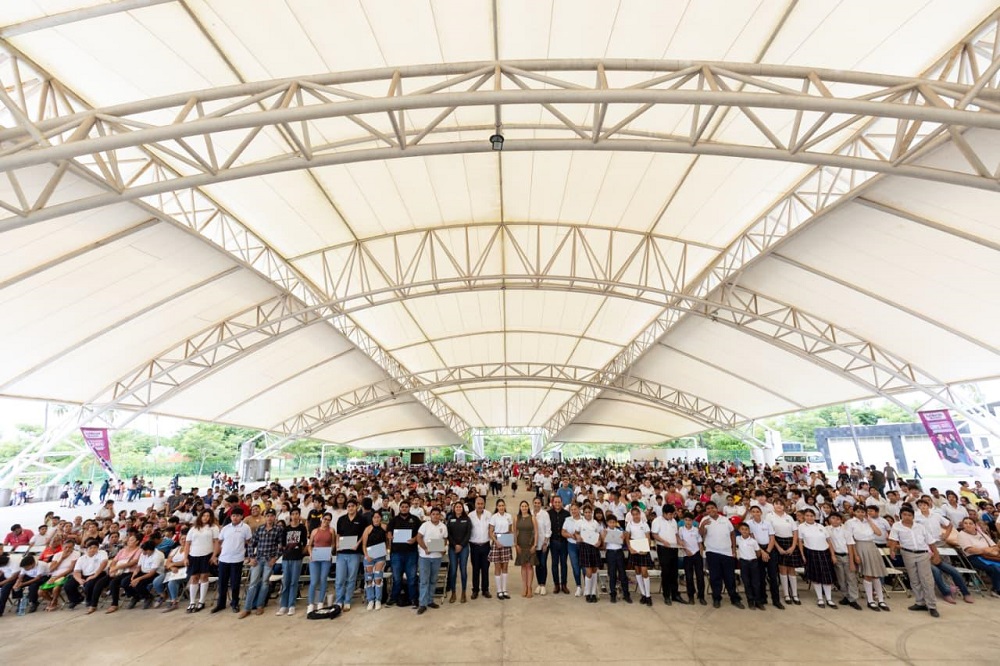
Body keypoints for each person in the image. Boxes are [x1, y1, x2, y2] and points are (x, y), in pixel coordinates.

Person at [888, 505, 940, 618]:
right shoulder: (897, 526)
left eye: (909, 515)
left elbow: (930, 541)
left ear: (913, 516)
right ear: (901, 515)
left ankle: (931, 605)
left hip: (922, 553)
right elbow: (893, 539)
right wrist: (892, 550)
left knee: (926, 579)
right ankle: (920, 602)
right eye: (904, 515)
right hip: (907, 553)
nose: (907, 517)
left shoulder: (920, 527)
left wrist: (936, 554)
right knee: (914, 579)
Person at [700, 502, 743, 609]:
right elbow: (700, 534)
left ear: (716, 508)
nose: (711, 510)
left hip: (727, 553)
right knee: (715, 577)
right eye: (708, 508)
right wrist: (702, 525)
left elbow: (732, 533)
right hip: (712, 552)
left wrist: (733, 548)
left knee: (729, 577)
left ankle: (734, 598)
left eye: (712, 508)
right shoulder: (705, 520)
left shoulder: (725, 519)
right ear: (706, 510)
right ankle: (716, 598)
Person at [846, 503, 889, 611]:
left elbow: (879, 533)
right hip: (860, 546)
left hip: (871, 546)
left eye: (862, 511)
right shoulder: (850, 523)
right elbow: (850, 540)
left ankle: (881, 600)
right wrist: (855, 554)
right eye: (858, 511)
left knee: (876, 575)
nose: (860, 513)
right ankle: (870, 600)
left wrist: (869, 520)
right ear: (854, 512)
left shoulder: (868, 522)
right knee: (868, 574)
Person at [241, 510, 283, 618]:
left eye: (272, 516)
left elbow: (281, 545)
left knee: (265, 583)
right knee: (253, 583)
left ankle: (260, 605)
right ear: (265, 517)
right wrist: (251, 557)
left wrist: (275, 558)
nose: (269, 518)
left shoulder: (278, 529)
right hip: (258, 559)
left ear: (274, 517)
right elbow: (251, 544)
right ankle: (247, 608)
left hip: (269, 560)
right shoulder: (260, 529)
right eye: (267, 516)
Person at [213, 506, 251, 613]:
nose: (235, 518)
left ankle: (235, 603)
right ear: (230, 517)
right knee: (222, 583)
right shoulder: (225, 528)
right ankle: (221, 604)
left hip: (237, 559)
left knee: (235, 583)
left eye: (238, 516)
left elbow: (249, 543)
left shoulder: (246, 528)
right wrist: (215, 555)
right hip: (224, 559)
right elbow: (219, 543)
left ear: (241, 517)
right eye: (233, 516)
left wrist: (249, 555)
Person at [798, 508, 837, 608]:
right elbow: (800, 542)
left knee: (827, 577)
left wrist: (832, 555)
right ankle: (820, 598)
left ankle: (829, 599)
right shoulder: (801, 527)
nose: (809, 517)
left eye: (811, 516)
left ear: (814, 517)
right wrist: (802, 555)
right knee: (816, 577)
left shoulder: (821, 526)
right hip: (811, 552)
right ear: (804, 516)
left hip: (824, 552)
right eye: (807, 515)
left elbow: (829, 541)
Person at [183, 509, 219, 614]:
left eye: (208, 516)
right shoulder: (193, 528)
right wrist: (185, 557)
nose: (206, 518)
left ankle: (202, 601)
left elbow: (216, 542)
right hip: (193, 555)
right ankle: (192, 601)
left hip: (206, 555)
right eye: (204, 515)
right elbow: (187, 544)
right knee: (194, 578)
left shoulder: (213, 528)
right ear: (200, 517)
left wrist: (214, 555)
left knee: (204, 577)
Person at [387, 499, 422, 606]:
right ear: (400, 508)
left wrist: (415, 539)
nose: (404, 508)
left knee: (411, 578)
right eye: (402, 507)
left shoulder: (415, 519)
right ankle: (393, 597)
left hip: (411, 553)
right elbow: (388, 532)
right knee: (397, 578)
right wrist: (389, 535)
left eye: (406, 507)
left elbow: (420, 533)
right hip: (396, 553)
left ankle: (413, 599)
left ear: (409, 508)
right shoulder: (393, 520)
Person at [767, 499, 801, 605]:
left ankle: (794, 594)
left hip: (790, 543)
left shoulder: (789, 517)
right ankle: (786, 594)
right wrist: (778, 548)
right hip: (777, 542)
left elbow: (795, 532)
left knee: (792, 570)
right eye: (777, 504)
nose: (779, 506)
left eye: (781, 504)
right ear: (773, 505)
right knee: (782, 569)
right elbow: (770, 534)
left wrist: (793, 546)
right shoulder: (769, 516)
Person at [955, 516, 1000, 597]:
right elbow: (970, 550)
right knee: (995, 568)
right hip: (974, 557)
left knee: (996, 567)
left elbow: (995, 546)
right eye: (965, 523)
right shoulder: (962, 535)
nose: (968, 525)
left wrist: (986, 550)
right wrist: (986, 550)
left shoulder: (981, 534)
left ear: (975, 525)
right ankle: (996, 590)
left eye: (970, 523)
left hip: (988, 556)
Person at [415, 506, 448, 615]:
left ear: (440, 516)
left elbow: (444, 539)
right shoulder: (425, 525)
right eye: (433, 514)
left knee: (433, 579)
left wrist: (443, 548)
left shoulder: (443, 526)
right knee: (424, 580)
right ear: (430, 515)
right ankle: (422, 603)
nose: (435, 516)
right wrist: (425, 548)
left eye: (437, 514)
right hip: (425, 556)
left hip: (437, 557)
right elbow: (419, 537)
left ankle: (430, 600)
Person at [277, 507, 308, 616]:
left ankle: (291, 605)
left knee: (294, 582)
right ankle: (283, 605)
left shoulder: (302, 528)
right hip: (286, 558)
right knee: (286, 582)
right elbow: (283, 544)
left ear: (299, 515)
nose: (295, 516)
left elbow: (305, 543)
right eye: (293, 514)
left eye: (296, 514)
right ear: (290, 516)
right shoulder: (286, 529)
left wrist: (300, 553)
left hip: (297, 558)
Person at [334, 499, 364, 611]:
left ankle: (347, 600)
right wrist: (337, 544)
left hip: (354, 553)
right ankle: (339, 601)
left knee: (351, 578)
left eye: (352, 506)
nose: (350, 508)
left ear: (356, 507)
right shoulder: (341, 519)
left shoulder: (361, 519)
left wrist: (357, 544)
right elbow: (338, 534)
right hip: (342, 553)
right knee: (340, 579)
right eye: (348, 506)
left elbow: (363, 534)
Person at [827, 512, 861, 610]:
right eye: (832, 518)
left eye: (837, 519)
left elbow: (850, 545)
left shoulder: (846, 531)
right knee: (841, 578)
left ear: (841, 520)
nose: (835, 521)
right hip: (836, 556)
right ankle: (846, 596)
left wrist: (851, 561)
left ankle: (853, 599)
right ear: (829, 519)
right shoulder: (827, 529)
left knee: (851, 578)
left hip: (846, 555)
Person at [651, 503, 684, 605]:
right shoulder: (657, 521)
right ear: (664, 513)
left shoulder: (674, 521)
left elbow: (676, 534)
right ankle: (667, 595)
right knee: (666, 572)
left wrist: (679, 541)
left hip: (674, 548)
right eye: (669, 514)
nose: (671, 516)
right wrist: (663, 541)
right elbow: (654, 534)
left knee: (674, 572)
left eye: (673, 514)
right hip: (663, 549)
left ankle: (675, 594)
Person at [625, 505, 654, 606]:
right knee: (637, 571)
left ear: (640, 515)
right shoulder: (629, 524)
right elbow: (627, 537)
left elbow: (648, 537)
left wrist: (647, 549)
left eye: (637, 514)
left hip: (643, 549)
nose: (636, 516)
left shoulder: (645, 524)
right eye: (634, 515)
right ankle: (643, 594)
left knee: (644, 571)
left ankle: (648, 595)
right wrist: (630, 548)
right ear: (631, 515)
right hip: (634, 549)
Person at [306, 513, 335, 613]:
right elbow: (310, 545)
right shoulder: (314, 531)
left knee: (323, 579)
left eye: (329, 520)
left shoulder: (331, 531)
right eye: (325, 519)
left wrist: (330, 552)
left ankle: (320, 602)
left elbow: (333, 544)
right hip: (315, 557)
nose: (326, 521)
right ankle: (310, 603)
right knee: (314, 581)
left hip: (326, 557)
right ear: (321, 519)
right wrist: (310, 554)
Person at [573, 504, 600, 603]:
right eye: (586, 512)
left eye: (589, 512)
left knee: (594, 571)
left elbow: (599, 535)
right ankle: (587, 593)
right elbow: (575, 533)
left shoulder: (595, 523)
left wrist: (599, 542)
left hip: (594, 547)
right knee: (588, 572)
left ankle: (593, 593)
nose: (588, 514)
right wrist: (578, 537)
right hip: (584, 547)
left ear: (591, 513)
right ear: (583, 513)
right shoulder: (580, 522)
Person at [125, 540, 164, 609]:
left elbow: (152, 572)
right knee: (125, 582)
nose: (143, 553)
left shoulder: (158, 555)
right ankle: (135, 596)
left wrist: (138, 579)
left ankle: (148, 597)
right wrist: (134, 574)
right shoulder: (143, 553)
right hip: (143, 571)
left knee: (138, 584)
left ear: (150, 550)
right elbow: (139, 566)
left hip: (155, 573)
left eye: (145, 551)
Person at [445, 500, 471, 603]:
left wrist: (461, 545)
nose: (458, 508)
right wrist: (455, 545)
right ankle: (453, 593)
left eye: (460, 507)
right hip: (453, 548)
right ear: (454, 509)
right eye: (456, 507)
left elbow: (468, 534)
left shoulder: (467, 519)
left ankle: (463, 592)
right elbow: (448, 534)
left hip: (464, 547)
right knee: (453, 571)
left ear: (463, 508)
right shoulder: (450, 519)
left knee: (463, 570)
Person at [361, 510, 388, 611]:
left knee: (378, 578)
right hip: (369, 557)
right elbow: (364, 545)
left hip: (380, 557)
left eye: (378, 517)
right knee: (369, 579)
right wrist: (366, 555)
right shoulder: (367, 529)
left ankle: (378, 600)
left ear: (381, 518)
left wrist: (387, 550)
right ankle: (370, 600)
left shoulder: (385, 527)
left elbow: (388, 540)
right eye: (374, 517)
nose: (376, 519)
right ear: (372, 519)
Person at [488, 499, 513, 600]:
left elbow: (510, 530)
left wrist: (509, 539)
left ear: (505, 506)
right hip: (497, 542)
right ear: (497, 507)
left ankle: (504, 589)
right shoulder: (494, 517)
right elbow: (490, 531)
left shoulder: (509, 516)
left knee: (505, 566)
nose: (501, 507)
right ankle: (499, 590)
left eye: (503, 505)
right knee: (498, 566)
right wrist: (496, 541)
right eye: (499, 505)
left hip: (506, 541)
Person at [735, 522, 764, 610]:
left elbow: (758, 553)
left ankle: (758, 601)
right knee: (747, 583)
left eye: (746, 529)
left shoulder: (753, 541)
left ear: (749, 531)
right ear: (739, 530)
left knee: (756, 583)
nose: (744, 531)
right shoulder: (737, 539)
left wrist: (753, 559)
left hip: (753, 562)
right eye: (742, 529)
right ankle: (750, 601)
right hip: (744, 563)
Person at [679, 511, 706, 605]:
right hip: (687, 555)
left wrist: (701, 554)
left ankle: (701, 596)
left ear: (693, 521)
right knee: (689, 577)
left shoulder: (696, 530)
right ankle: (691, 596)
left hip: (697, 554)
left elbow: (700, 543)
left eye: (689, 520)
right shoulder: (681, 530)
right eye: (686, 520)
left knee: (700, 576)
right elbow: (681, 542)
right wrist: (687, 551)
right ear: (683, 520)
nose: (688, 522)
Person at [547, 496, 570, 595]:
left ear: (562, 502)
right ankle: (556, 584)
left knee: (564, 564)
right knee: (554, 564)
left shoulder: (567, 514)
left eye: (559, 502)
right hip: (553, 542)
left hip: (564, 542)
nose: (557, 504)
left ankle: (564, 584)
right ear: (552, 503)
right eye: (555, 502)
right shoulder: (549, 513)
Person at [531, 496, 551, 596]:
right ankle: (539, 584)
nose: (537, 505)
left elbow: (548, 529)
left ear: (541, 504)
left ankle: (543, 585)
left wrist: (545, 542)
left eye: (538, 503)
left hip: (543, 544)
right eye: (535, 503)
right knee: (537, 564)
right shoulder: (530, 513)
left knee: (543, 564)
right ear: (533, 503)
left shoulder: (545, 514)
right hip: (534, 544)